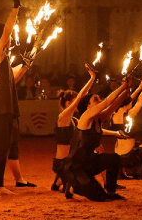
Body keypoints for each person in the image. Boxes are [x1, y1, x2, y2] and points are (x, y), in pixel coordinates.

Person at [0, 0, 35, 198]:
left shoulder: (3, 59)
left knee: (4, 148)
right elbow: (8, 31)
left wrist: (26, 65)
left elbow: (12, 77)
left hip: (7, 108)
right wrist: (15, 8)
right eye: (7, 36)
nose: (11, 38)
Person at [63, 76, 130, 201]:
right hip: (76, 168)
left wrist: (127, 90)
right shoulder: (86, 117)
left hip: (89, 163)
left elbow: (114, 105)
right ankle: (73, 186)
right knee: (100, 198)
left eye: (99, 98)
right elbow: (107, 102)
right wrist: (122, 86)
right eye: (96, 99)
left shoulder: (99, 118)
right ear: (88, 106)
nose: (100, 101)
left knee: (114, 158)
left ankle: (110, 191)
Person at [51, 64, 95, 192]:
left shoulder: (74, 120)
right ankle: (64, 180)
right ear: (69, 104)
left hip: (69, 163)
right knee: (79, 187)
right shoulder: (63, 117)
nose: (79, 103)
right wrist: (92, 78)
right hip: (62, 164)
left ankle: (59, 182)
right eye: (75, 101)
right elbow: (81, 96)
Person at [109, 79, 142, 179]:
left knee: (137, 146)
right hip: (129, 156)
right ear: (128, 104)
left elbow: (129, 100)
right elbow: (140, 100)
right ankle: (132, 168)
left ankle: (124, 169)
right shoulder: (130, 114)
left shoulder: (113, 115)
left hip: (117, 154)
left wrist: (140, 87)